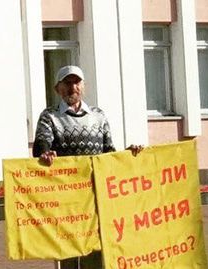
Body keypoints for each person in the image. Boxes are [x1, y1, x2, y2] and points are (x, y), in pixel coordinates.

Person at [33, 65, 142, 268]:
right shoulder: (50, 116)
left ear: (84, 87)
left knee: (95, 249)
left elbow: (109, 153)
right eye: (67, 83)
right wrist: (45, 153)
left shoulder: (98, 116)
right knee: (68, 251)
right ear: (58, 89)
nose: (72, 87)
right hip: (65, 198)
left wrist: (129, 154)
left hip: (95, 196)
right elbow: (41, 145)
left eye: (76, 82)